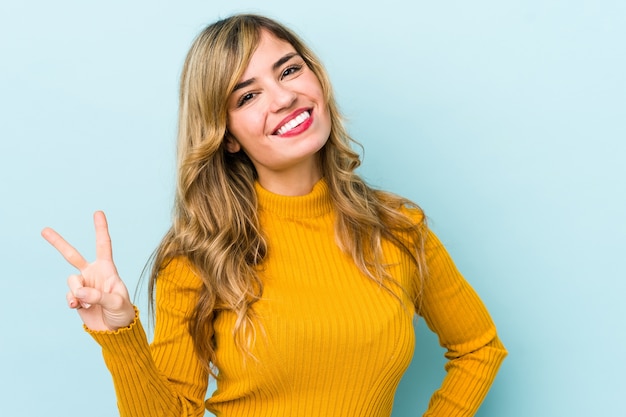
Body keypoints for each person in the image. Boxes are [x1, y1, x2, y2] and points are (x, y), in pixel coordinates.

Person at [42, 14, 507, 417]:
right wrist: (119, 332)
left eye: (289, 70)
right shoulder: (198, 257)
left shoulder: (399, 228)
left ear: (316, 79)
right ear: (226, 136)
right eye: (246, 97)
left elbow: (479, 348)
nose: (283, 97)